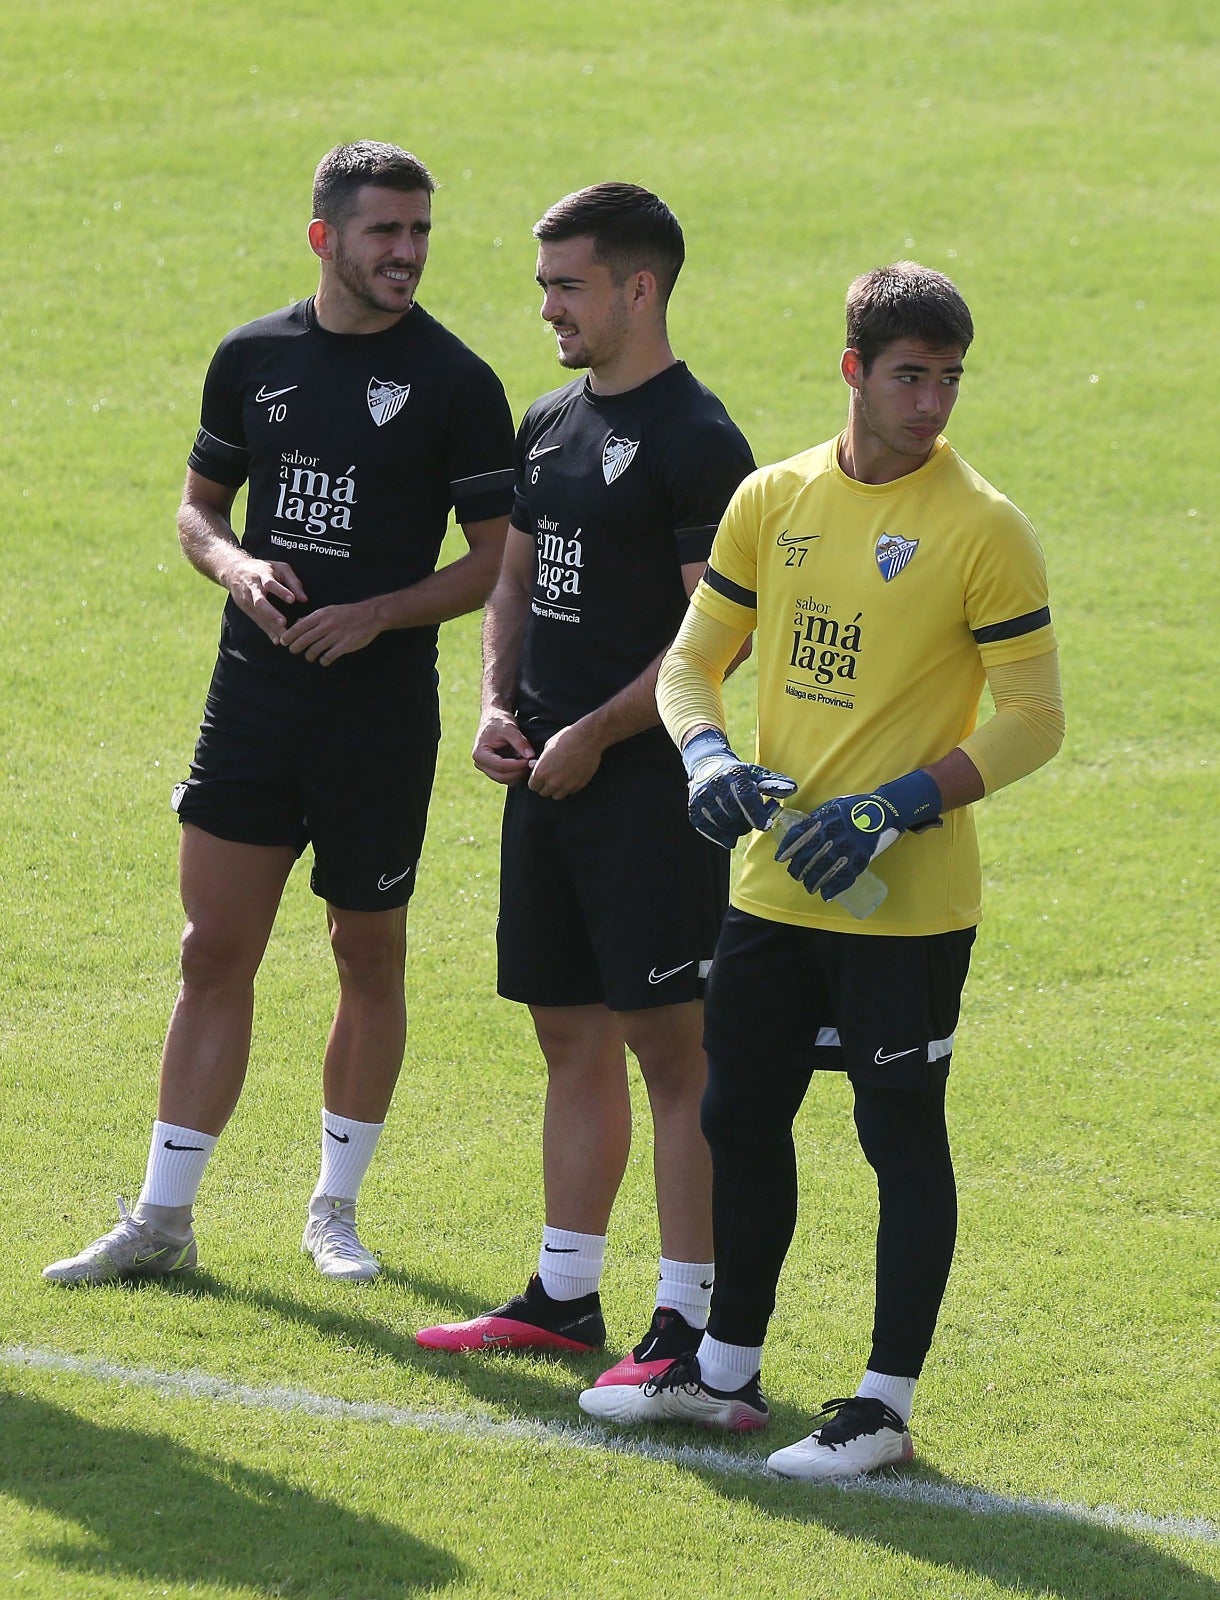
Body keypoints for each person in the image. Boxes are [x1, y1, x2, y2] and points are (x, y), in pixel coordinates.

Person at [579, 262, 1065, 1478]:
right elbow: (691, 663)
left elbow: (1033, 718)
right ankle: (724, 1371)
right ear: (852, 369)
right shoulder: (772, 498)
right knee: (738, 1115)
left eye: (948, 378)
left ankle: (882, 1406)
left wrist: (897, 806)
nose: (931, 403)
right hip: (771, 888)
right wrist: (703, 757)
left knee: (897, 1133)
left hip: (907, 908)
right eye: (908, 376)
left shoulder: (983, 527)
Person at [44, 141, 515, 1287]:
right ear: (324, 238)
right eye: (384, 230)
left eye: (419, 231)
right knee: (212, 949)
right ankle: (163, 1219)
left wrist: (378, 613)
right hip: (253, 702)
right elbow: (197, 509)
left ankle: (334, 1212)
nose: (406, 251)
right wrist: (237, 566)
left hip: (377, 720)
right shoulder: (252, 357)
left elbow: (493, 561)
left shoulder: (455, 382)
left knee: (367, 951)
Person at [414, 184, 755, 1383]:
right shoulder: (550, 420)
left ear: (637, 288)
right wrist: (494, 704)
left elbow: (713, 638)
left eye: (567, 285)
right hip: (545, 778)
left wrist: (600, 734)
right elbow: (513, 579)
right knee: (566, 1030)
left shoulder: (697, 440)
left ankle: (689, 1317)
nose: (547, 306)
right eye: (544, 284)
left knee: (671, 1049)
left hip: (647, 792)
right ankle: (563, 1295)